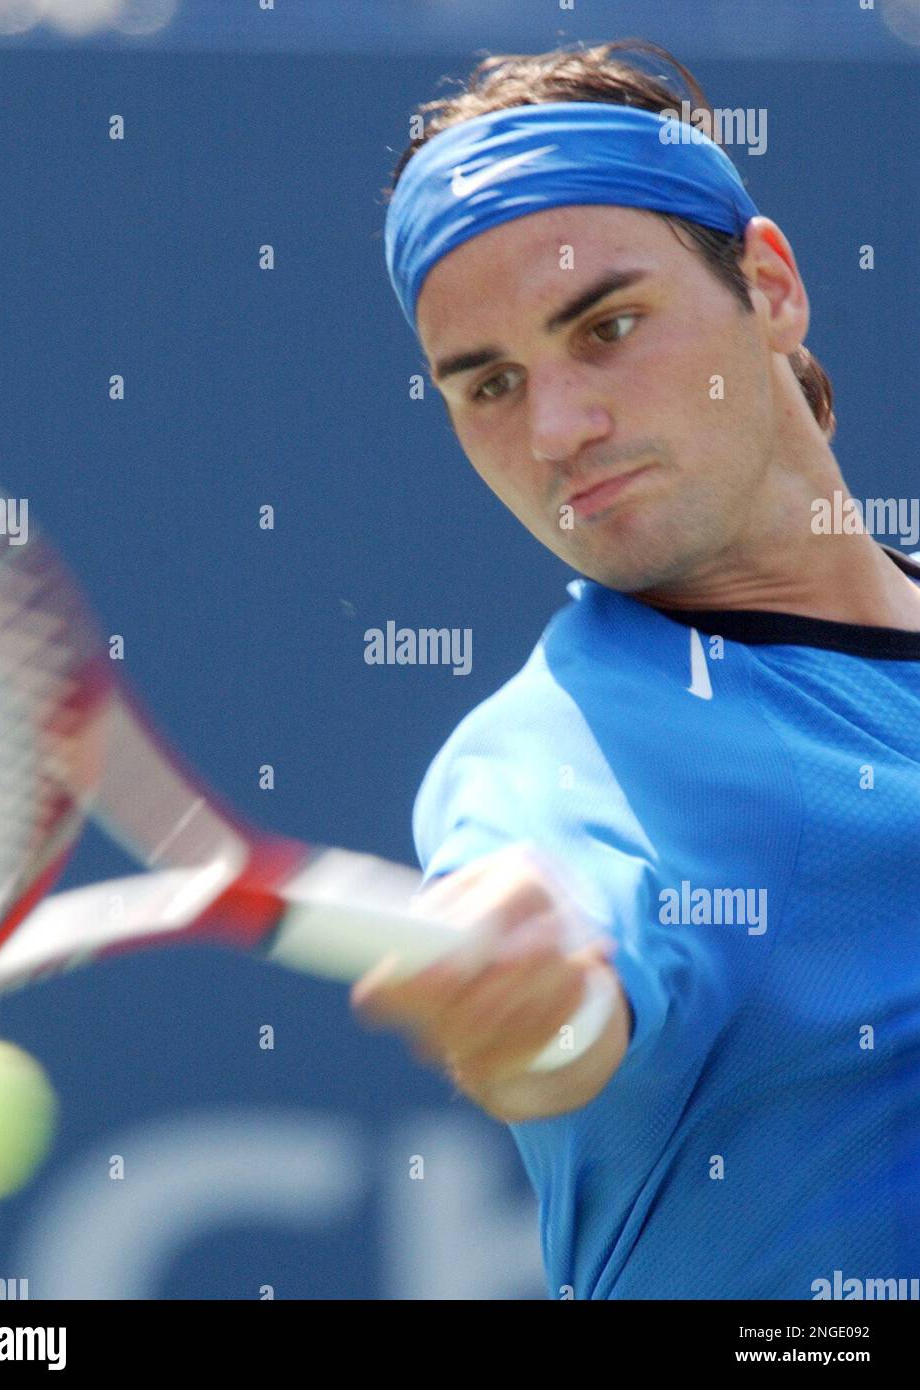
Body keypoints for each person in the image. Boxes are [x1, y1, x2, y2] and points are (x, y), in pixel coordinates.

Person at [352, 40, 920, 1299]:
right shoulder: (566, 748)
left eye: (606, 327)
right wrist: (541, 987)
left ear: (768, 286)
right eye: (490, 384)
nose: (557, 432)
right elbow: (564, 941)